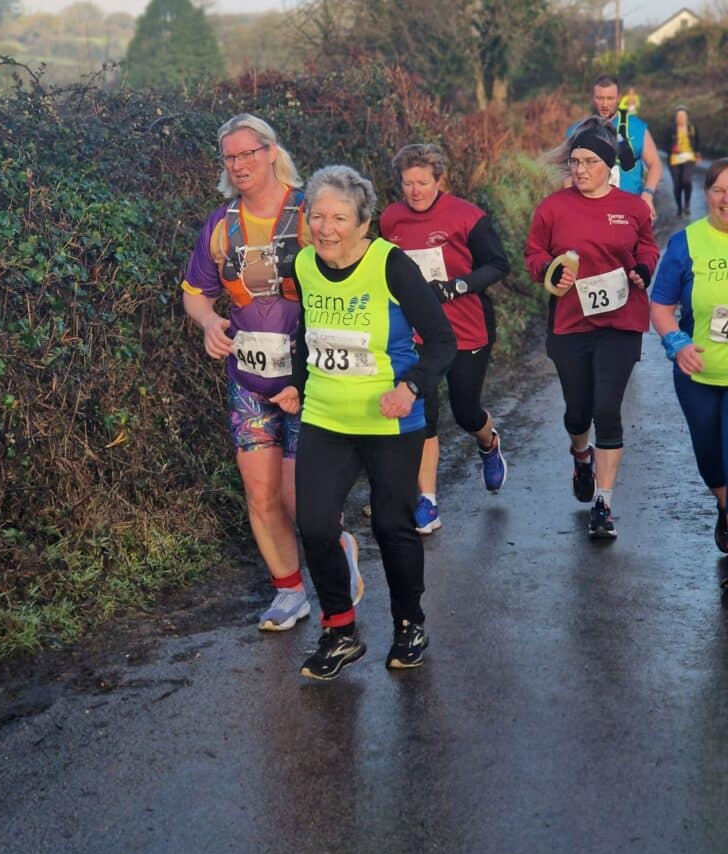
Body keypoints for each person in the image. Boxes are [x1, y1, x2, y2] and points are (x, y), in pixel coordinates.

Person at [271, 165, 456, 679]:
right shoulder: (305, 265)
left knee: (391, 524)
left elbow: (443, 341)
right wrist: (299, 386)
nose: (325, 228)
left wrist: (411, 387)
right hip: (327, 417)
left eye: (339, 217)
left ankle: (409, 625)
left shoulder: (390, 265)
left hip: (390, 421)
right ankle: (341, 630)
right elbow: (313, 335)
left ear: (364, 223)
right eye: (317, 216)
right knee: (312, 523)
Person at [182, 114, 362, 632]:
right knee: (260, 495)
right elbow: (194, 292)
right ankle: (288, 592)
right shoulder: (221, 223)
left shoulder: (310, 211)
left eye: (247, 154)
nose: (238, 165)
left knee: (297, 498)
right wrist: (209, 322)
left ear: (270, 152)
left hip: (310, 380)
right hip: (250, 381)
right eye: (229, 157)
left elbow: (355, 269)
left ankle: (336, 548)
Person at [525, 118, 659, 539]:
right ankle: (580, 456)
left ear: (607, 165)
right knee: (578, 412)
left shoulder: (633, 208)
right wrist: (549, 270)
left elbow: (647, 247)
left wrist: (643, 269)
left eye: (588, 162)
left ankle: (603, 503)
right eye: (574, 162)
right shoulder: (552, 208)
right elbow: (534, 254)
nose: (579, 169)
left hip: (620, 321)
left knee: (607, 410)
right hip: (570, 323)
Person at [379, 143, 510, 535]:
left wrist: (456, 287)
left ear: (440, 180)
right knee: (426, 416)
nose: (415, 191)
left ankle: (488, 442)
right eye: (408, 183)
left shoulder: (467, 216)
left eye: (423, 182)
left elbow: (498, 265)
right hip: (415, 334)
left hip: (466, 327)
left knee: (466, 410)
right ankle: (428, 502)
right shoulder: (390, 220)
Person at [650, 157, 728, 552]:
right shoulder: (685, 244)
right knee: (710, 456)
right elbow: (661, 307)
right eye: (719, 190)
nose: (727, 199)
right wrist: (676, 343)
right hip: (697, 376)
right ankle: (724, 503)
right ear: (706, 193)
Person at [568, 75, 662, 219]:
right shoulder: (578, 130)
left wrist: (648, 195)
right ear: (592, 98)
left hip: (629, 209)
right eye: (600, 98)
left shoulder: (636, 127)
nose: (604, 104)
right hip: (590, 210)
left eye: (610, 98)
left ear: (619, 97)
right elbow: (567, 172)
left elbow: (655, 164)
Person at [664, 105, 701, 217]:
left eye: (683, 116)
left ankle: (687, 205)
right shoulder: (670, 129)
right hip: (674, 159)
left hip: (689, 157)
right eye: (679, 116)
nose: (681, 118)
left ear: (686, 117)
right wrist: (672, 148)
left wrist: (698, 154)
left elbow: (698, 141)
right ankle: (679, 208)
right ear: (676, 118)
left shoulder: (692, 127)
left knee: (687, 181)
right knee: (677, 185)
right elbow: (665, 145)